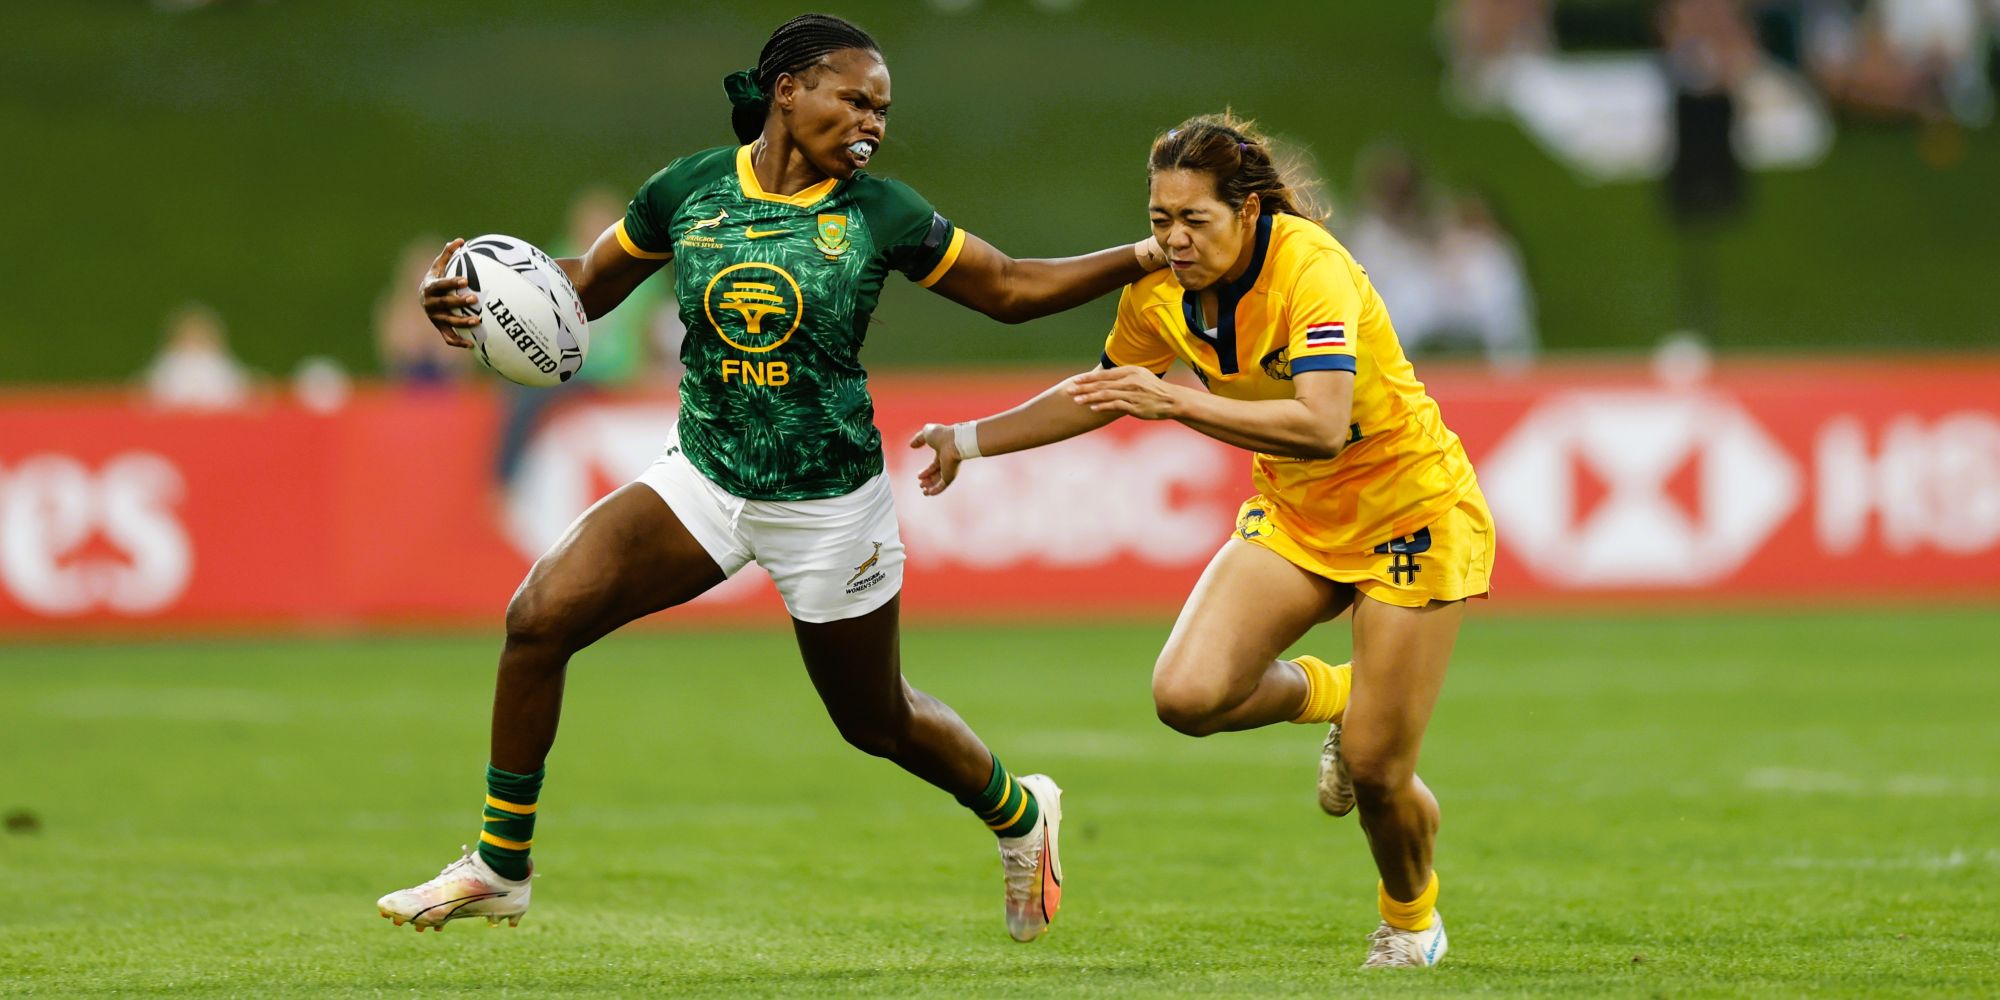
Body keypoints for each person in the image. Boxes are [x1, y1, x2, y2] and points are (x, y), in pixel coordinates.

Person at [375, 13, 1167, 940]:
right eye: (855, 100)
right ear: (788, 91)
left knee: (876, 721)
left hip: (830, 508)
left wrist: (1147, 255)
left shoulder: (882, 212)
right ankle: (500, 865)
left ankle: (1021, 814)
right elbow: (581, 286)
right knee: (538, 618)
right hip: (704, 479)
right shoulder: (689, 189)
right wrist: (471, 296)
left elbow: (1012, 289)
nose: (872, 123)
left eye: (882, 110)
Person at [911, 113, 1494, 969]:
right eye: (1160, 220)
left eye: (1195, 219)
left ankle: (1411, 921)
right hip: (1298, 514)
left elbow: (1321, 425)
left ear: (1248, 212)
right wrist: (965, 440)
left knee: (1377, 772)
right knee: (1186, 695)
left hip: (1410, 510)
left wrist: (1177, 402)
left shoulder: (1311, 268)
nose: (1174, 240)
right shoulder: (1157, 289)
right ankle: (1338, 695)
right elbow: (1104, 390)